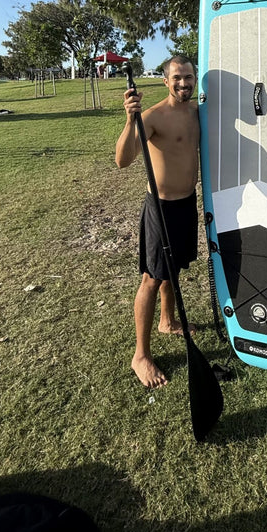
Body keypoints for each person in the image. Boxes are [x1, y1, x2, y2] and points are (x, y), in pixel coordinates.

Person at [115, 54, 200, 389]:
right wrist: (129, 120)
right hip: (161, 208)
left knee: (172, 267)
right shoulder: (151, 117)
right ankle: (140, 356)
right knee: (152, 278)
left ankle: (167, 321)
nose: (183, 83)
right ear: (166, 81)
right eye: (176, 77)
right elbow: (122, 160)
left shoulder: (197, 112)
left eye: (188, 77)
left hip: (187, 203)